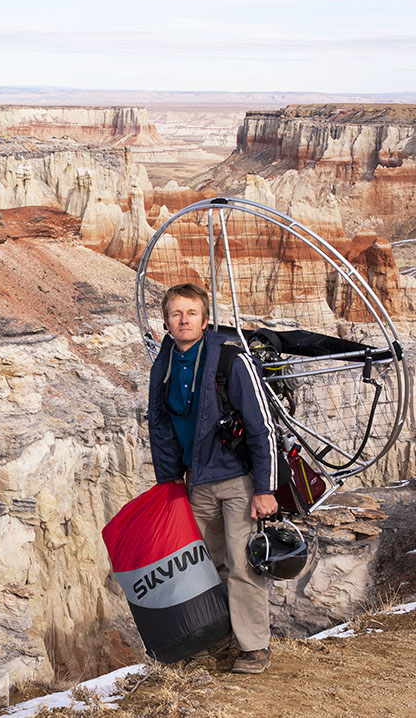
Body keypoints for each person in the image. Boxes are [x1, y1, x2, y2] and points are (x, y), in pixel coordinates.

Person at [147, 282, 279, 674]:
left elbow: (261, 427)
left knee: (242, 565)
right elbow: (161, 426)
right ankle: (217, 636)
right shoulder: (164, 363)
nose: (183, 320)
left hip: (238, 479)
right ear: (167, 323)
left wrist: (265, 488)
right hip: (196, 482)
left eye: (191, 313)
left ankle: (254, 647)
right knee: (203, 566)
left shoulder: (229, 360)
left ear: (205, 321)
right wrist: (170, 482)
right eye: (176, 314)